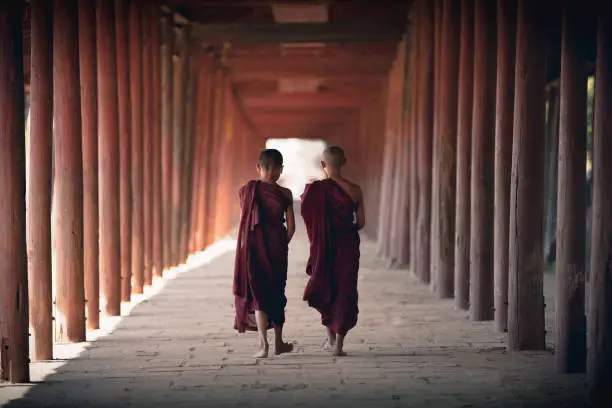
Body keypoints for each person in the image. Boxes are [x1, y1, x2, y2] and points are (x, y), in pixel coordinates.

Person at [301, 146, 365, 356]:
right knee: (345, 289)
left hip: (323, 246)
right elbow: (361, 222)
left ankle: (329, 337)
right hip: (346, 245)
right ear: (344, 163)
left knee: (325, 284)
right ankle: (338, 344)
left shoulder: (315, 189)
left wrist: (322, 233)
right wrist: (346, 229)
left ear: (323, 165)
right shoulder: (355, 189)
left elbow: (308, 217)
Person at [233, 149, 295, 358]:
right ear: (280, 170)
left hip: (253, 249)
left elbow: (244, 222)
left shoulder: (246, 191)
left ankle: (263, 345)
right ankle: (279, 343)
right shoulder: (285, 193)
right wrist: (279, 243)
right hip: (277, 248)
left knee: (258, 295)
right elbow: (292, 228)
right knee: (277, 292)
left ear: (258, 168)